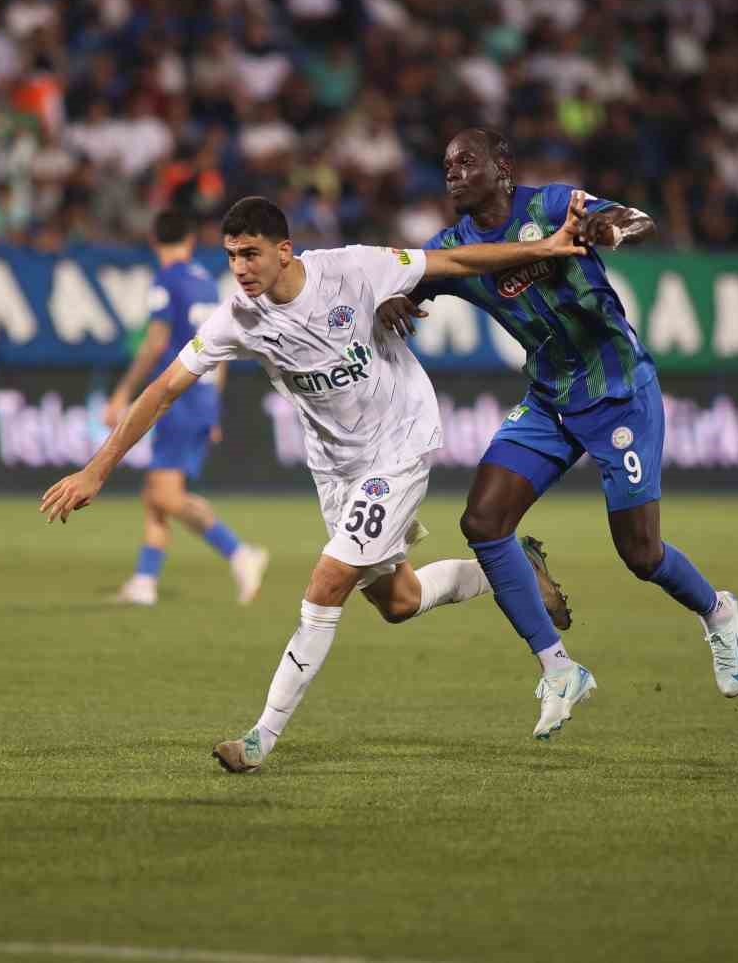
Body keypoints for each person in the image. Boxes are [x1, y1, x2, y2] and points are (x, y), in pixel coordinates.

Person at [42, 195, 588, 772]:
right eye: (231, 256)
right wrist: (96, 469)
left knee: (326, 582)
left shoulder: (352, 269)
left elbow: (455, 263)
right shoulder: (238, 317)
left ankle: (260, 738)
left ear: (284, 250)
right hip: (336, 467)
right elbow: (162, 390)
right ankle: (513, 571)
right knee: (398, 602)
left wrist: (545, 248)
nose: (241, 268)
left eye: (250, 254)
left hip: (400, 442)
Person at [378, 128, 738, 698]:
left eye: (465, 161)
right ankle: (558, 668)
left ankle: (717, 611)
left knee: (641, 554)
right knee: (483, 522)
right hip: (550, 401)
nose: (451, 172)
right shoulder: (455, 244)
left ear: (502, 166)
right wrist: (399, 299)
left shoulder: (550, 206)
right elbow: (411, 280)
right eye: (446, 164)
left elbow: (638, 221)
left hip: (620, 394)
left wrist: (609, 227)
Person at [102, 209, 270, 606]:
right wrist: (214, 401)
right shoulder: (206, 284)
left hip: (178, 398)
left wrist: (123, 392)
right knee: (155, 492)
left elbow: (156, 343)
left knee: (164, 494)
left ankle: (240, 552)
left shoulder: (166, 280)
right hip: (202, 395)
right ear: (190, 241)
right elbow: (222, 347)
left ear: (153, 241)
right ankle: (145, 581)